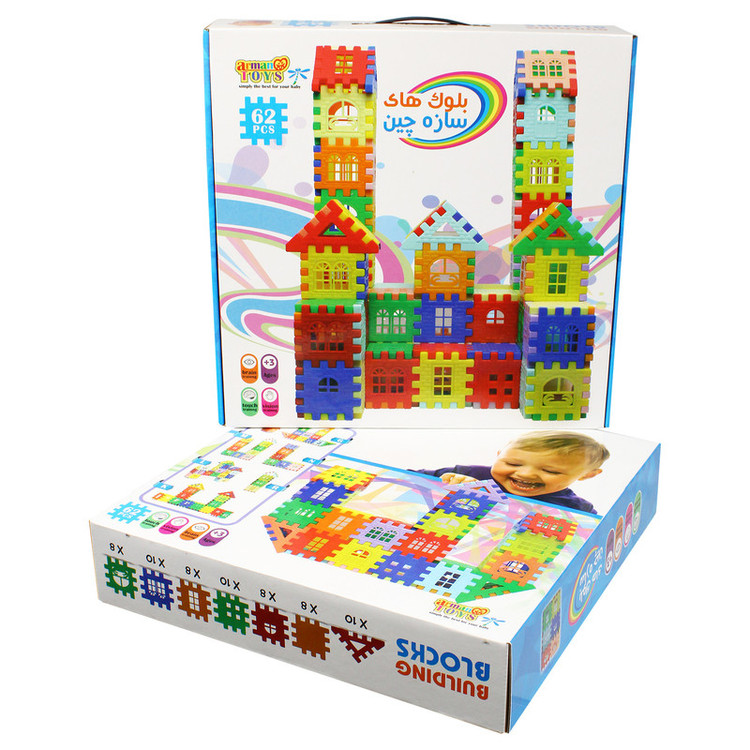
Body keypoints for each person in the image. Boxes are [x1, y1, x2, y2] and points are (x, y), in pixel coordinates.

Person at [420, 431, 609, 514]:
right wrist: (447, 484)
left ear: (587, 475)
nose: (526, 474)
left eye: (550, 471)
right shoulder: (470, 473)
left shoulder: (576, 509)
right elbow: (408, 479)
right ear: (499, 454)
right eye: (512, 463)